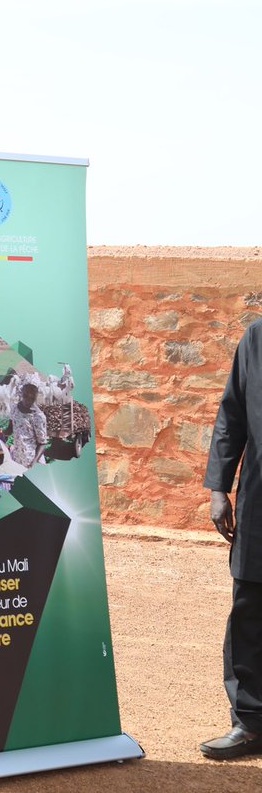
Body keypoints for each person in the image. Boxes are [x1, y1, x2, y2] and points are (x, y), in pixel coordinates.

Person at [202, 319, 262, 760]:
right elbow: (232, 415)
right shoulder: (256, 339)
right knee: (250, 610)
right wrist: (219, 487)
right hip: (260, 500)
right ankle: (249, 722)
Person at [8, 381, 47, 469]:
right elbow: (9, 429)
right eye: (25, 395)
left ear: (36, 396)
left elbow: (42, 443)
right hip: (18, 457)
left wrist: (34, 462)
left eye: (32, 397)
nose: (28, 400)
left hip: (32, 460)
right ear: (21, 393)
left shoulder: (38, 416)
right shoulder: (14, 408)